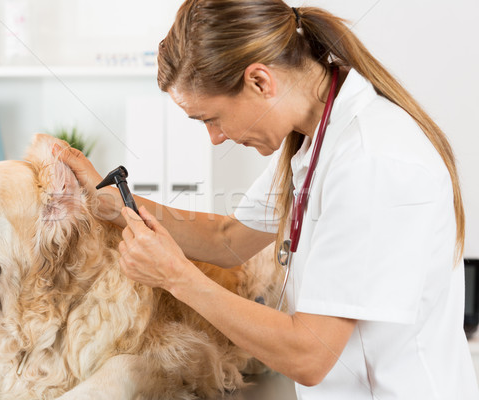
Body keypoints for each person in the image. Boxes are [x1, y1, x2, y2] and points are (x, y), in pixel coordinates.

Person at [55, 0, 479, 398]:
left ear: (260, 81)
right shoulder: (316, 139)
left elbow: (310, 355)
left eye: (211, 118)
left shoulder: (370, 160)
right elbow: (228, 237)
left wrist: (175, 277)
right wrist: (114, 205)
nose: (216, 137)